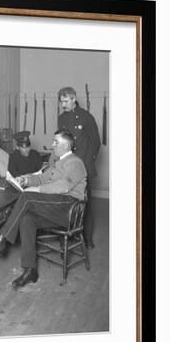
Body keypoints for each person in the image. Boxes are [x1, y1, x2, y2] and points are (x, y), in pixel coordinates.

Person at [0, 130, 87, 289]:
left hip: (68, 209)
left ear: (65, 145)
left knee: (27, 197)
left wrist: (37, 190)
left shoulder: (75, 162)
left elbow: (64, 186)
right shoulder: (57, 161)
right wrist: (26, 180)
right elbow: (42, 178)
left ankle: (2, 239)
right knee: (26, 219)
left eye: (55, 142)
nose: (52, 145)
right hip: (57, 206)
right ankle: (30, 270)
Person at [57, 86, 101, 249]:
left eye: (66, 101)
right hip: (67, 168)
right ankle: (67, 235)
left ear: (74, 98)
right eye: (61, 102)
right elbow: (62, 143)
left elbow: (95, 142)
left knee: (85, 203)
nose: (63, 105)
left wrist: (86, 162)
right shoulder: (62, 119)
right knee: (65, 201)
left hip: (83, 167)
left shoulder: (86, 117)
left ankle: (87, 237)